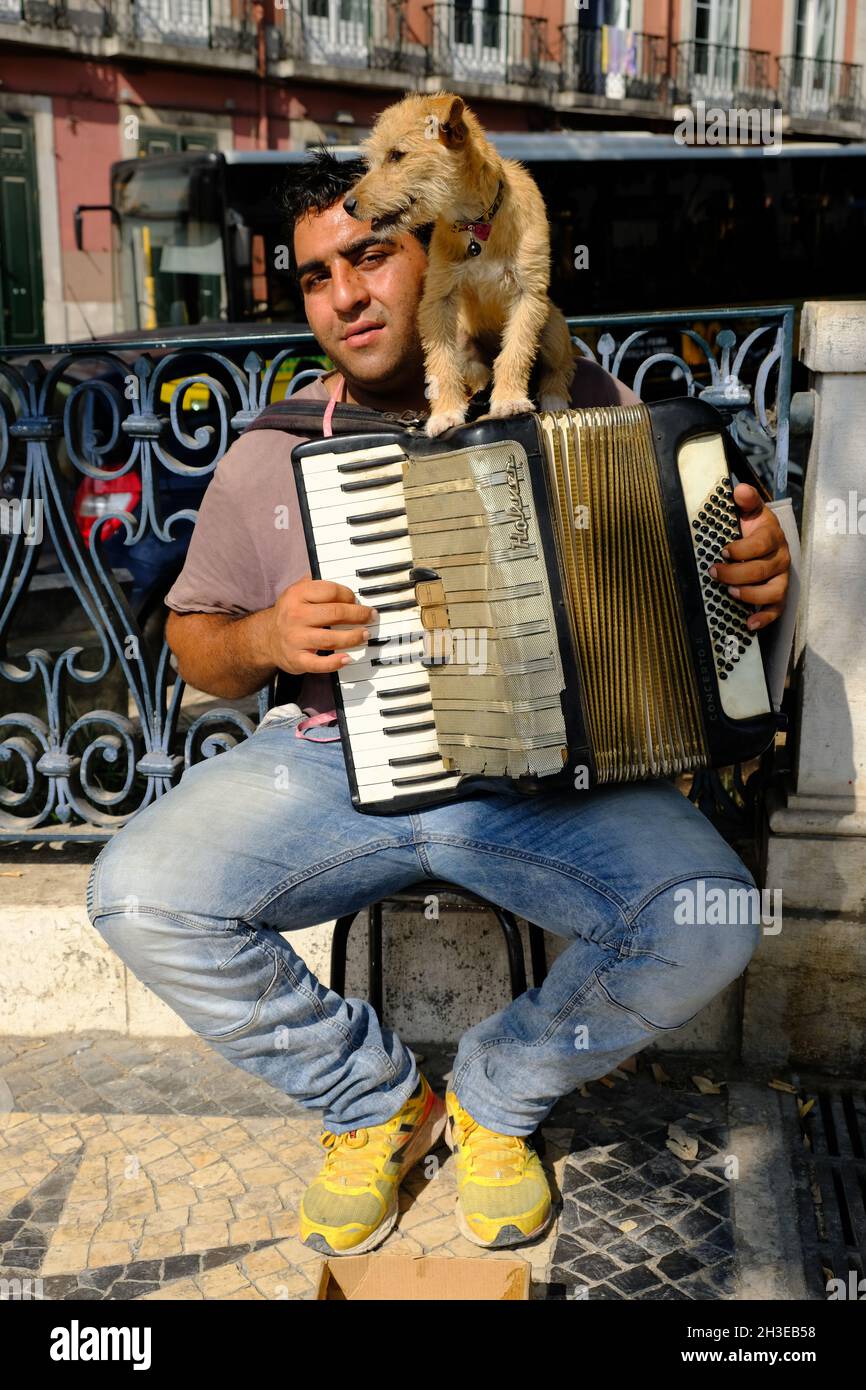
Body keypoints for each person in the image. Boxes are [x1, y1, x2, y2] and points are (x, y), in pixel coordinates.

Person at [87, 150, 792, 1258]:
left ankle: (496, 1092)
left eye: (370, 257)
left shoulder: (572, 399)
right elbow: (194, 649)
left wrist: (747, 560)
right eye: (318, 277)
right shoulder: (269, 453)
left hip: (550, 777)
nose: (346, 296)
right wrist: (265, 637)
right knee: (136, 894)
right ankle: (373, 1102)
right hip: (328, 765)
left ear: (444, 254)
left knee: (711, 916)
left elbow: (702, 558)